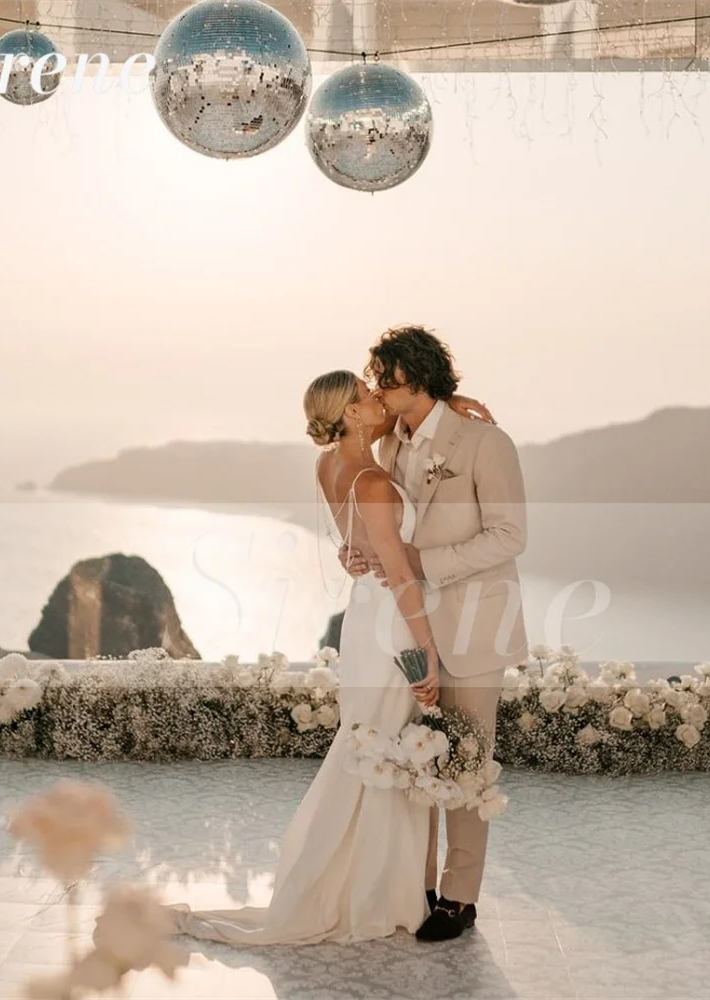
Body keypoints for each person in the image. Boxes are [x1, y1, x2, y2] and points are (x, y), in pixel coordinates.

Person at [165, 369, 494, 945]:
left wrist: (451, 402)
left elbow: (358, 542)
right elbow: (397, 573)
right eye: (368, 397)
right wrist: (427, 651)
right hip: (394, 622)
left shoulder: (329, 466)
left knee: (372, 748)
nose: (379, 400)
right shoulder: (371, 479)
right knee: (387, 754)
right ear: (350, 414)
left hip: (363, 621)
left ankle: (379, 881)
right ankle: (374, 891)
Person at [340, 325, 528, 942]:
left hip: (475, 625)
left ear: (414, 379)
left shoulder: (483, 440)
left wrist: (427, 563)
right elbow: (381, 526)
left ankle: (458, 897)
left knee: (468, 759)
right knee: (411, 755)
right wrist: (361, 554)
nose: (375, 389)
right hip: (407, 628)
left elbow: (510, 535)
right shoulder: (387, 448)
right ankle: (414, 886)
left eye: (383, 379)